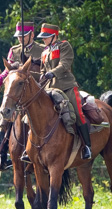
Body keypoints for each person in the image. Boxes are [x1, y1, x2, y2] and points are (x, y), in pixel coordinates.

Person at [0, 21, 43, 170]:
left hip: (35, 93)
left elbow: (46, 71)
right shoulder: (13, 51)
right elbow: (7, 72)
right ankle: (1, 155)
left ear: (32, 35)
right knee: (4, 117)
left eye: (23, 36)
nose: (20, 39)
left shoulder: (42, 50)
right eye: (18, 36)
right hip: (17, 94)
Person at [37, 23, 91, 160]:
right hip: (50, 89)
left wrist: (52, 73)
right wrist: (42, 77)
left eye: (46, 37)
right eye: (43, 37)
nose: (43, 40)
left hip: (66, 86)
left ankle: (87, 146)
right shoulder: (44, 51)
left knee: (78, 113)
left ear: (54, 36)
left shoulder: (64, 46)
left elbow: (65, 64)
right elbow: (43, 71)